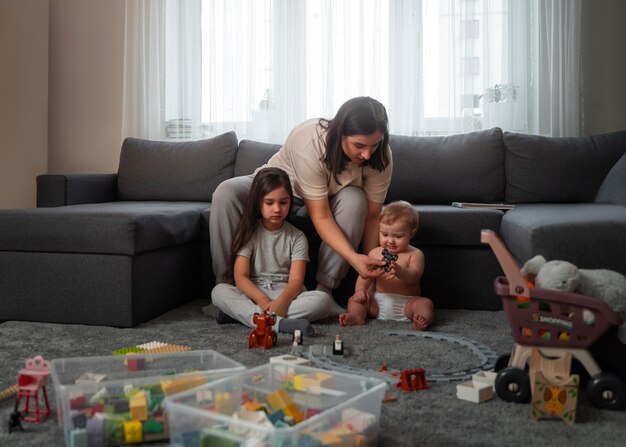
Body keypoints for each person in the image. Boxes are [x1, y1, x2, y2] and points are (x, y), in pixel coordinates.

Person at [210, 97, 393, 312]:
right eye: (359, 146)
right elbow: (320, 215)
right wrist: (354, 258)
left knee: (356, 199)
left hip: (327, 198)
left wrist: (370, 269)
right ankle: (226, 286)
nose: (367, 154)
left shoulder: (380, 157)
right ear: (339, 131)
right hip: (280, 187)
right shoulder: (310, 140)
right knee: (226, 192)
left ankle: (324, 291)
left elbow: (372, 217)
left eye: (374, 144)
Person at [211, 167, 333, 336]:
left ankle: (245, 316)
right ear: (258, 202)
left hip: (285, 294)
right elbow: (240, 277)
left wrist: (281, 303)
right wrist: (262, 300)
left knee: (323, 301)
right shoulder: (248, 232)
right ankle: (280, 324)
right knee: (219, 291)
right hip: (253, 293)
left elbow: (296, 281)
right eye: (269, 203)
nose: (277, 209)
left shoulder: (297, 237)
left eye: (283, 202)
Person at [338, 201, 434, 330]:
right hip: (378, 301)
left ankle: (421, 320)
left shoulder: (415, 254)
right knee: (354, 300)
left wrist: (401, 272)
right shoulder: (375, 253)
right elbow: (365, 276)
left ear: (411, 233)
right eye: (384, 234)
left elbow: (415, 276)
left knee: (425, 303)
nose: (390, 241)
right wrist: (360, 291)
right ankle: (356, 316)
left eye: (398, 236)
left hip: (407, 303)